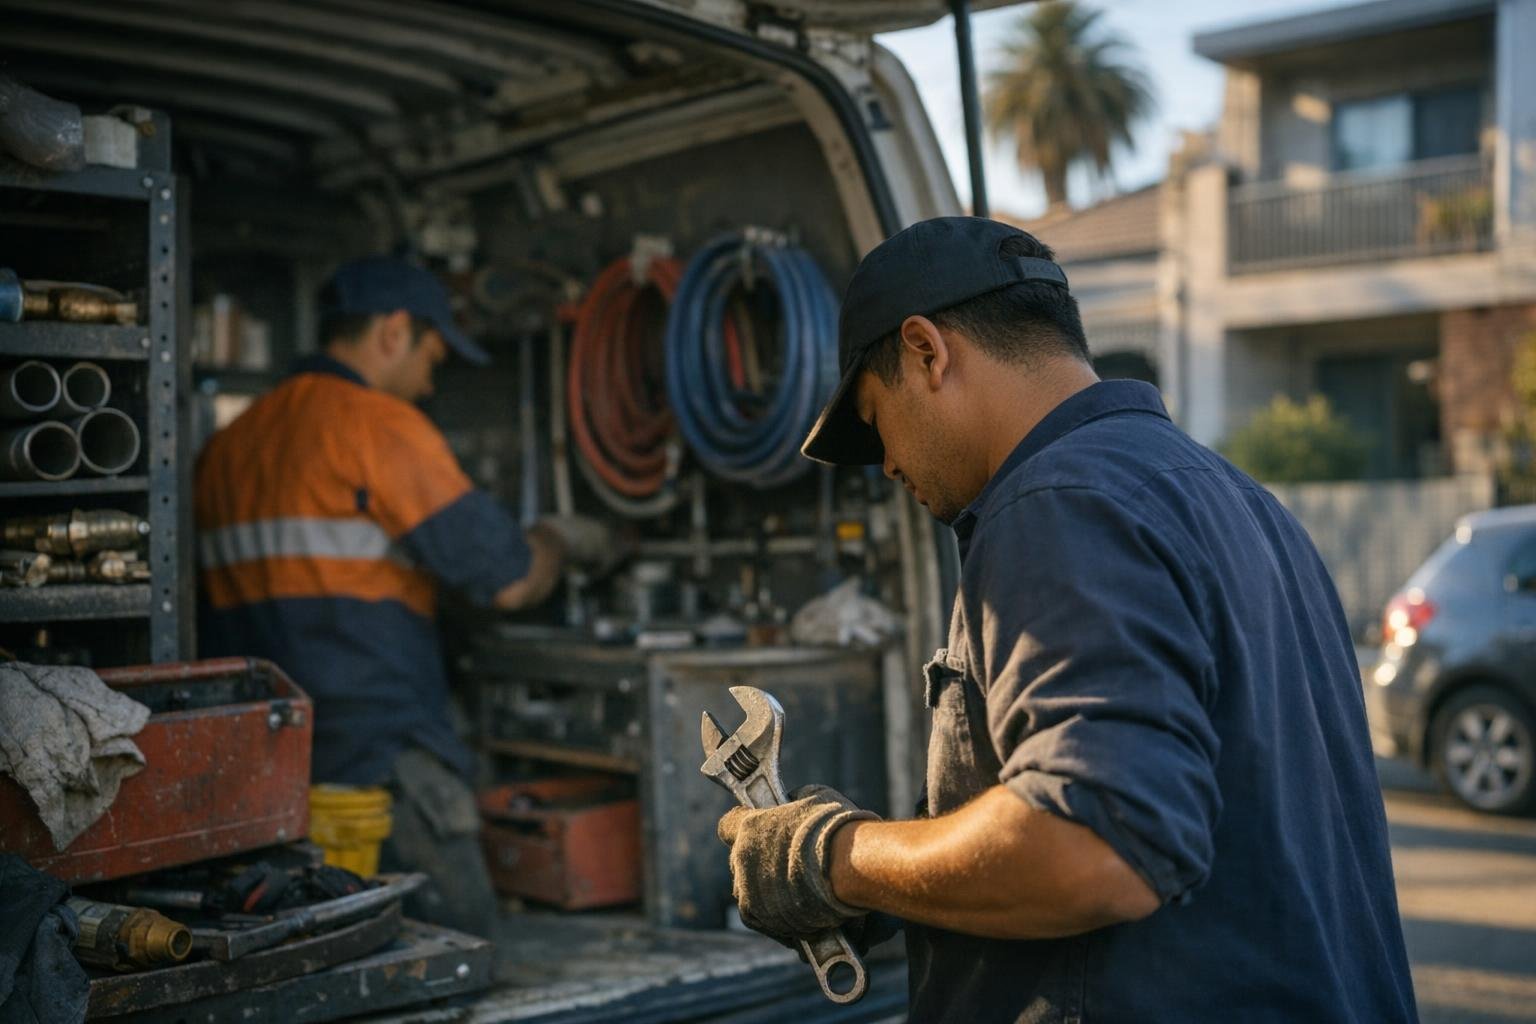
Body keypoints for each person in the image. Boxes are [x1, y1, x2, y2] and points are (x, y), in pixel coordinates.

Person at [714, 218, 1417, 1021]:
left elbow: (1094, 849)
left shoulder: (1055, 503)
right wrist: (901, 883)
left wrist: (831, 856)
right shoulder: (1244, 502)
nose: (887, 465)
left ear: (926, 351)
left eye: (877, 422)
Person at [196, 256, 609, 938]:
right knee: (456, 961)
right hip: (384, 766)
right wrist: (566, 540)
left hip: (265, 777)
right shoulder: (376, 426)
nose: (429, 381)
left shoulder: (227, 448)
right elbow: (508, 580)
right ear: (393, 332)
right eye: (432, 356)